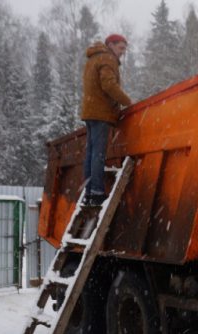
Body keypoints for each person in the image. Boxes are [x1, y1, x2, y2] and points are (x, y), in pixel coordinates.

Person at [80, 33, 132, 206]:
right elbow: (109, 85)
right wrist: (127, 102)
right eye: (121, 48)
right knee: (98, 154)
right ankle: (96, 191)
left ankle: (89, 191)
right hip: (101, 113)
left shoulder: (93, 59)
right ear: (110, 45)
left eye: (124, 48)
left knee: (91, 153)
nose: (123, 52)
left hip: (90, 112)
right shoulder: (108, 59)